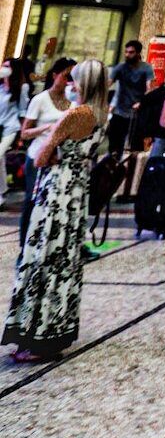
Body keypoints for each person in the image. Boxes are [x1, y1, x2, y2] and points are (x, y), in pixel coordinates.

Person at [4, 59, 110, 362]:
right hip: (76, 193)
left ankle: (35, 334)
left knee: (42, 256)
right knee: (64, 261)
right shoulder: (102, 115)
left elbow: (40, 158)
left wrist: (52, 144)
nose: (72, 85)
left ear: (85, 84)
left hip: (56, 192)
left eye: (76, 81)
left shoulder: (76, 113)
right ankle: (57, 327)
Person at [18, 57, 73, 245]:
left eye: (72, 77)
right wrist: (47, 128)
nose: (68, 81)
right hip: (37, 157)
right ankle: (24, 244)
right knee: (32, 201)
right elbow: (25, 133)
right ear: (55, 75)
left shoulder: (72, 102)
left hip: (58, 159)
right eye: (65, 76)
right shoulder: (40, 100)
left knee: (53, 203)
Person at [107, 40, 153, 157]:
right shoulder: (120, 67)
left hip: (136, 112)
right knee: (114, 145)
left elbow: (149, 88)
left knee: (135, 147)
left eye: (131, 52)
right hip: (120, 110)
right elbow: (108, 83)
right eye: (126, 52)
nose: (127, 55)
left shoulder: (146, 68)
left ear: (138, 53)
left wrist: (141, 102)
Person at [0, 57, 31, 203]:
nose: (4, 68)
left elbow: (23, 111)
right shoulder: (0, 87)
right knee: (0, 159)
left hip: (11, 127)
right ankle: (2, 189)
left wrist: (22, 134)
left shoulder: (21, 87)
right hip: (0, 125)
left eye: (7, 66)